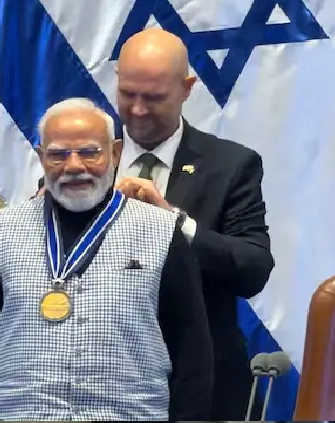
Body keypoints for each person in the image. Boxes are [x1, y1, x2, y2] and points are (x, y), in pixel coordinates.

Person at [0, 98, 214, 421]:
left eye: (89, 152)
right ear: (41, 158)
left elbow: (192, 353)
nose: (74, 166)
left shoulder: (162, 232)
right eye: (58, 154)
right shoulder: (3, 231)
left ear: (115, 153)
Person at [112, 28, 275, 420]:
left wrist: (175, 223)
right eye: (128, 94)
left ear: (187, 89)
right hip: (101, 382)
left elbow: (253, 268)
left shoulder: (231, 165)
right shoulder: (85, 160)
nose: (138, 110)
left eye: (154, 97)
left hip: (200, 388)